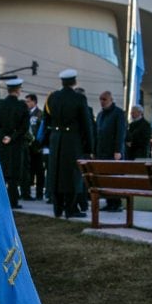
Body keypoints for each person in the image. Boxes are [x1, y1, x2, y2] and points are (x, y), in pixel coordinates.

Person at [43, 69, 94, 218]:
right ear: (75, 81)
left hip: (56, 138)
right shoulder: (79, 98)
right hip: (72, 140)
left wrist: (48, 140)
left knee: (56, 173)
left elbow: (47, 120)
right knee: (72, 175)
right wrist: (88, 147)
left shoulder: (52, 98)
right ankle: (71, 209)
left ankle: (57, 208)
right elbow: (86, 124)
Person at [0, 77, 29, 209]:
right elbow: (24, 127)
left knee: (1, 172)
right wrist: (11, 137)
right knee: (14, 174)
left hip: (1, 145)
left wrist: (2, 137)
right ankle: (13, 201)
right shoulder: (22, 106)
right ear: (18, 90)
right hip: (15, 145)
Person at [95, 90, 126, 211]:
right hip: (102, 151)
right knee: (105, 178)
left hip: (113, 151)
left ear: (111, 100)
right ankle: (109, 201)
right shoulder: (100, 115)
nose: (102, 102)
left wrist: (118, 150)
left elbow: (120, 133)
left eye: (104, 99)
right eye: (101, 99)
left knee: (114, 178)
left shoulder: (118, 113)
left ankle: (116, 203)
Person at [25, 93, 45, 200]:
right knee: (29, 170)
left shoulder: (39, 114)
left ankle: (39, 193)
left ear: (34, 102)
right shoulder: (26, 114)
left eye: (28, 101)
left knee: (39, 171)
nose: (27, 103)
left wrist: (38, 143)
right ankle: (27, 192)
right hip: (28, 147)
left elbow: (42, 130)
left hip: (37, 147)